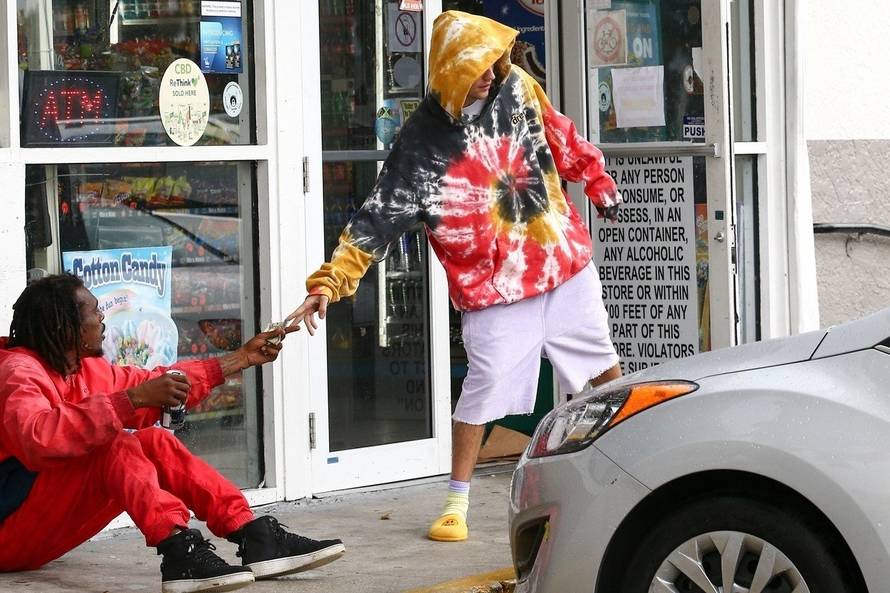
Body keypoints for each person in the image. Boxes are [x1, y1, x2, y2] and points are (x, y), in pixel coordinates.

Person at [286, 11, 623, 543]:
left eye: (493, 61)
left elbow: (561, 134)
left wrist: (596, 178)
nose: (489, 74)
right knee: (483, 389)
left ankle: (632, 466)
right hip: (493, 289)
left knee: (604, 368)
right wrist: (329, 283)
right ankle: (456, 501)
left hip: (561, 264)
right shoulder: (420, 143)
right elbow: (377, 219)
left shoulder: (518, 87)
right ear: (448, 71)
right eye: (475, 67)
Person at [0, 274, 345, 593]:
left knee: (155, 440)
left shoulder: (85, 369)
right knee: (114, 444)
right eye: (94, 311)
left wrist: (241, 358)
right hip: (8, 532)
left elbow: (161, 383)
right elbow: (37, 437)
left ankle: (253, 535)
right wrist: (131, 400)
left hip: (36, 530)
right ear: (64, 325)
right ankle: (179, 551)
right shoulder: (17, 372)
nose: (102, 319)